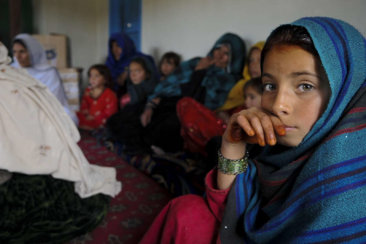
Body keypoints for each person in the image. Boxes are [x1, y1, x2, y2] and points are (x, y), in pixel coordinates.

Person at [140, 17, 366, 243]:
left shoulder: (346, 188)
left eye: (305, 86)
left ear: (346, 91)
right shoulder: (275, 150)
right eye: (270, 86)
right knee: (185, 210)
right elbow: (229, 210)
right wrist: (232, 144)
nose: (278, 105)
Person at [0, 42, 121, 242]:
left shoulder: (31, 76)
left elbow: (55, 100)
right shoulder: (13, 75)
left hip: (48, 120)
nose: (19, 56)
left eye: (24, 51)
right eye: (16, 52)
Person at [139, 33, 245, 153]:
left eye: (226, 53)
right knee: (135, 114)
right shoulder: (196, 62)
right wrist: (151, 103)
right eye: (218, 49)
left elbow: (196, 100)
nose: (220, 55)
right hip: (167, 102)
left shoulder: (228, 80)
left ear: (234, 59)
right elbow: (169, 84)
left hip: (187, 112)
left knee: (165, 127)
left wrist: (199, 73)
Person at [11, 33, 78, 124]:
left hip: (45, 111)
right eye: (15, 52)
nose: (17, 57)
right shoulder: (11, 71)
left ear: (33, 52)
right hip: (17, 110)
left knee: (66, 120)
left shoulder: (49, 73)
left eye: (22, 52)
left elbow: (53, 100)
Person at [105, 56, 159, 154]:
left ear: (147, 73)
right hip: (132, 115)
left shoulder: (154, 87)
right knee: (113, 121)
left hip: (145, 120)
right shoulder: (131, 88)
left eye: (137, 71)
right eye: (131, 71)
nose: (133, 75)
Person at [217, 41, 265, 113]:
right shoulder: (241, 85)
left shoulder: (274, 89)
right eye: (251, 60)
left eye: (259, 60)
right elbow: (222, 109)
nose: (253, 65)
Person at [105, 32, 157, 97]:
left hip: (138, 97)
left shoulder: (141, 59)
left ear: (126, 46)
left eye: (118, 46)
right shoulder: (110, 63)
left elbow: (152, 81)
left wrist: (128, 73)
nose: (114, 50)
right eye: (112, 47)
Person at [77, 64, 118, 131]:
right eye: (90, 75)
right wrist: (87, 115)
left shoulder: (110, 94)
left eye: (96, 76)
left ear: (105, 79)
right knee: (74, 115)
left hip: (101, 120)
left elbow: (110, 112)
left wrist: (95, 117)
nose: (92, 79)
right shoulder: (87, 91)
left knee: (107, 121)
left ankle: (92, 128)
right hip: (88, 117)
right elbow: (84, 106)